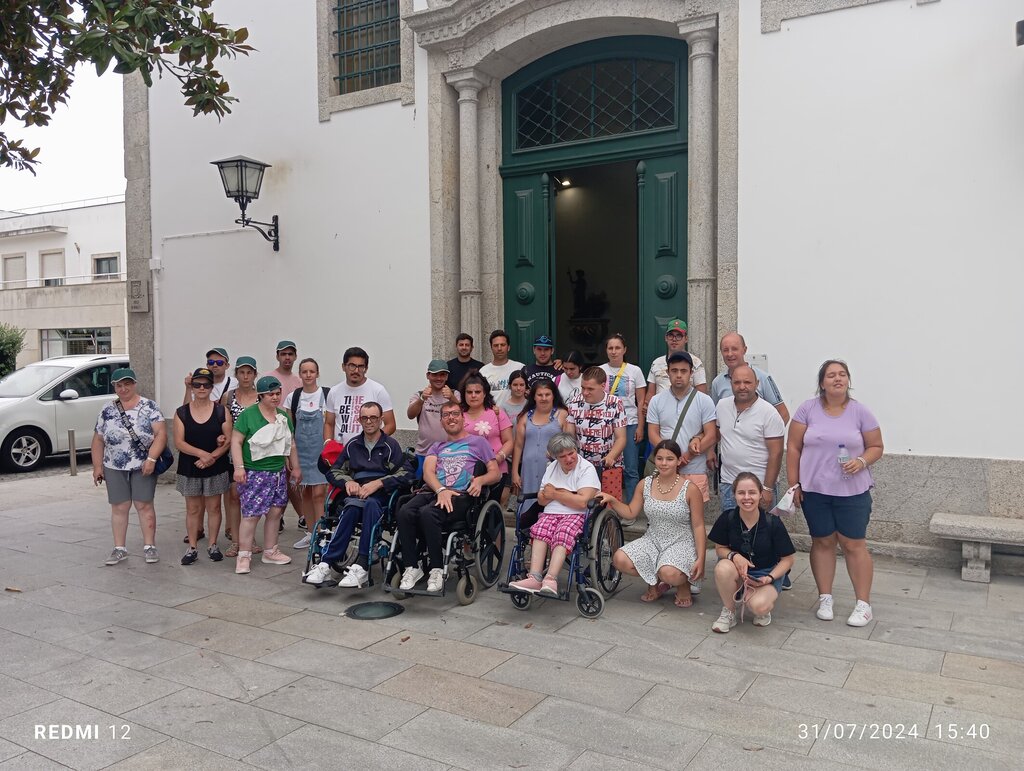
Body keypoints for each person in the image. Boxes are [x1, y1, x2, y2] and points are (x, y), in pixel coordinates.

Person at [787, 359, 884, 627]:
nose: (837, 379)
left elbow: (876, 446)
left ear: (848, 380)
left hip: (852, 492)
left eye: (842, 374)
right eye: (831, 375)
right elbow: (793, 447)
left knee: (853, 544)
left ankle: (863, 604)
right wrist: (794, 484)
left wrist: (861, 461)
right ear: (822, 383)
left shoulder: (860, 412)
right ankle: (825, 598)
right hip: (815, 490)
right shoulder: (807, 409)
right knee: (822, 542)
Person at [304, 401, 415, 588]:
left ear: (381, 420)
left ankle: (362, 564)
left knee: (369, 504)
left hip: (382, 496)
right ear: (359, 420)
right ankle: (325, 564)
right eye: (365, 418)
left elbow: (406, 473)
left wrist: (379, 483)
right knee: (351, 507)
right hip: (356, 495)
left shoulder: (390, 446)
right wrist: (348, 481)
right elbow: (334, 471)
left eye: (373, 417)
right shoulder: (353, 445)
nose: (369, 421)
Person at [396, 401, 501, 592]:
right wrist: (440, 490)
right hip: (434, 491)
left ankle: (437, 569)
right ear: (441, 422)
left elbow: (496, 473)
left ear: (463, 417)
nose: (451, 418)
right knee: (405, 511)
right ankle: (412, 566)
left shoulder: (478, 443)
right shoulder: (437, 446)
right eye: (446, 415)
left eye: (455, 414)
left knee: (428, 513)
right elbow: (428, 473)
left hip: (461, 496)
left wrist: (480, 480)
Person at [599, 439, 706, 607]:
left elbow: (698, 526)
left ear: (679, 461)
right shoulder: (645, 484)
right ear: (654, 460)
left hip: (681, 541)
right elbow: (630, 512)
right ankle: (654, 582)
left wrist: (701, 558)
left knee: (669, 573)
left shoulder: (690, 489)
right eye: (660, 458)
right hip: (653, 539)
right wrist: (612, 499)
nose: (664, 463)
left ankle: (682, 584)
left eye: (669, 459)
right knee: (619, 559)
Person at [509, 432, 600, 597]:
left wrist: (555, 493)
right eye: (562, 456)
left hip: (576, 515)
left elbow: (582, 502)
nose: (569, 459)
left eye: (571, 453)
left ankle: (550, 579)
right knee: (540, 530)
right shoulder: (551, 468)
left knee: (563, 532)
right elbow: (542, 499)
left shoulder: (587, 469)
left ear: (576, 449)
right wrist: (568, 495)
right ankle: (535, 577)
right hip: (550, 512)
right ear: (555, 457)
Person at [92, 368, 167, 566]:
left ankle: (149, 546)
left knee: (144, 504)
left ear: (134, 384)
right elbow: (98, 439)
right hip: (114, 465)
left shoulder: (149, 406)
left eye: (127, 384)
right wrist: (97, 466)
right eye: (119, 385)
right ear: (114, 387)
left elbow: (161, 434)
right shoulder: (107, 409)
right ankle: (119, 548)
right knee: (119, 506)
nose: (123, 389)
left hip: (143, 464)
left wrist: (151, 459)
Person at [230, 375, 301, 574]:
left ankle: (270, 551)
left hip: (277, 472)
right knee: (251, 515)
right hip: (254, 472)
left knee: (276, 512)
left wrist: (296, 467)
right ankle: (244, 555)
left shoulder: (283, 416)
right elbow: (236, 441)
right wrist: (239, 467)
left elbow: (291, 443)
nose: (275, 397)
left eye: (278, 393)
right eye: (271, 394)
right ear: (261, 395)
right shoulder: (248, 415)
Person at [709, 473, 796, 632]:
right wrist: (734, 556)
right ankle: (729, 611)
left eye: (752, 492)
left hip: (765, 573)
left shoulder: (772, 522)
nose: (747, 497)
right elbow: (720, 548)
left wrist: (769, 578)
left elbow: (788, 559)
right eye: (741, 493)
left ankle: (758, 601)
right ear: (734, 495)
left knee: (759, 606)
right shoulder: (728, 518)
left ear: (760, 494)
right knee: (722, 568)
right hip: (738, 570)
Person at [173, 367, 231, 565]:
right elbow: (179, 442)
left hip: (215, 466)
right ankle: (192, 547)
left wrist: (211, 457)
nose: (201, 388)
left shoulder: (221, 411)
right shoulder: (182, 412)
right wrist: (202, 454)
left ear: (211, 387)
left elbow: (228, 440)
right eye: (197, 384)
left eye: (206, 384)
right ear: (192, 387)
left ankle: (213, 544)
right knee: (193, 509)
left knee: (214, 507)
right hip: (190, 467)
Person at [646, 351, 717, 503]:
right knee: (664, 513)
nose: (679, 375)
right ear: (668, 373)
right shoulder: (656, 401)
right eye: (674, 371)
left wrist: (686, 457)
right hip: (665, 470)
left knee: (695, 514)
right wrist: (670, 458)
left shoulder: (704, 400)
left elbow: (711, 435)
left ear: (691, 373)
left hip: (695, 470)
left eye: (683, 371)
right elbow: (652, 434)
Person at [716, 365, 785, 513]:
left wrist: (767, 489)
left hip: (759, 487)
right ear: (731, 384)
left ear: (757, 384)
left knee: (762, 528)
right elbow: (715, 433)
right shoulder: (722, 406)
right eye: (737, 382)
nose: (742, 387)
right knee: (731, 527)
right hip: (729, 485)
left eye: (747, 382)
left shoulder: (769, 413)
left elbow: (776, 453)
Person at [286, 358, 331, 550]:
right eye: (304, 371)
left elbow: (331, 424)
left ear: (317, 373)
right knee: (305, 491)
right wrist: (290, 456)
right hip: (301, 452)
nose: (308, 375)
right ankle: (311, 534)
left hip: (321, 452)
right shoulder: (293, 397)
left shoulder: (327, 395)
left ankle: (323, 534)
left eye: (312, 371)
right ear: (300, 374)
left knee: (319, 493)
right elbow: (289, 429)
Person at [221, 355, 260, 557]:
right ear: (236, 374)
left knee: (252, 499)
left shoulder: (261, 396)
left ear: (255, 374)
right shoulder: (228, 397)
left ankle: (249, 538)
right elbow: (222, 421)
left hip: (257, 454)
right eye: (242, 372)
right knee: (235, 496)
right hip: (234, 453)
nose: (245, 376)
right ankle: (236, 540)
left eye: (249, 372)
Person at [601, 334, 647, 501]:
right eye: (610, 348)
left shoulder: (635, 371)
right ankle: (608, 505)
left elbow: (641, 401)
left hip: (629, 423)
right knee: (607, 466)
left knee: (631, 468)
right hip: (606, 424)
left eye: (617, 348)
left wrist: (640, 427)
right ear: (606, 350)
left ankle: (631, 506)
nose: (614, 351)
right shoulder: (600, 371)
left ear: (624, 350)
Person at [710, 333, 789, 424]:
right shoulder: (717, 382)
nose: (730, 354)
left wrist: (769, 432)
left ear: (744, 350)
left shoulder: (763, 378)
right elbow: (714, 417)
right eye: (725, 350)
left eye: (734, 349)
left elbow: (783, 414)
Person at [461, 373, 514, 505]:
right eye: (469, 392)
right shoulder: (458, 415)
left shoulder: (497, 413)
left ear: (484, 394)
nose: (473, 395)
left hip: (496, 468)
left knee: (492, 506)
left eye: (477, 392)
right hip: (466, 470)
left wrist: (499, 457)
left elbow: (509, 441)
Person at [324, 346, 396, 444]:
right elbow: (329, 423)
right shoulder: (334, 392)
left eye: (361, 366)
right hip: (341, 450)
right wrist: (328, 444)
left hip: (369, 450)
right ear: (343, 367)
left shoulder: (378, 390)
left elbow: (390, 425)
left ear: (366, 369)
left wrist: (371, 442)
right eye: (352, 366)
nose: (356, 371)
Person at [511, 378, 568, 497]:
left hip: (554, 469)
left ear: (553, 396)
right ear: (534, 397)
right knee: (528, 503)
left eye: (547, 394)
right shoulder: (525, 417)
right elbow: (518, 446)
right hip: (529, 470)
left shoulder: (562, 415)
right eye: (540, 395)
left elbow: (569, 444)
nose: (544, 398)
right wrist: (515, 472)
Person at [565, 367, 627, 476]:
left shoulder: (615, 403)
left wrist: (611, 457)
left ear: (603, 386)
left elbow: (621, 438)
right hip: (581, 466)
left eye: (590, 389)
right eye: (583, 388)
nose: (585, 392)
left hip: (609, 467)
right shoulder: (575, 402)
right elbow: (569, 435)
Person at [408, 359, 458, 476]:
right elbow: (410, 415)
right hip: (424, 452)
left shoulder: (455, 394)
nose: (439, 378)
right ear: (428, 375)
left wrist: (452, 398)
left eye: (442, 375)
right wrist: (422, 399)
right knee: (420, 485)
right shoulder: (419, 395)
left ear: (447, 377)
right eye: (435, 374)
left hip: (449, 453)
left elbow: (463, 415)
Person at [645, 320, 708, 410]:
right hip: (661, 412)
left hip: (686, 412)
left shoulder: (696, 363)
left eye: (679, 336)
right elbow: (651, 393)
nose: (674, 339)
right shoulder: (656, 363)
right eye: (671, 335)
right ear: (666, 338)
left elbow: (701, 394)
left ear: (686, 339)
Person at [479, 329, 525, 401]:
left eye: (503, 345)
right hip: (491, 408)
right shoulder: (483, 371)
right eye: (496, 345)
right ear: (491, 348)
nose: (499, 348)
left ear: (508, 347)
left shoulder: (520, 368)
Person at [496, 369, 528, 437]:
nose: (518, 388)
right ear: (510, 386)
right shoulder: (503, 408)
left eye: (522, 385)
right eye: (515, 385)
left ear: (526, 386)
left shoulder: (531, 405)